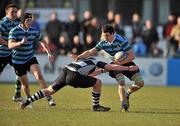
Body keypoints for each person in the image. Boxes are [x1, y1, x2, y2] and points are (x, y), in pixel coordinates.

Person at [71, 24, 144, 112]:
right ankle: (124, 105)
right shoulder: (103, 43)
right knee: (121, 82)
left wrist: (119, 63)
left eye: (107, 35)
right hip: (115, 64)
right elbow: (90, 52)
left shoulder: (121, 40)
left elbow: (132, 56)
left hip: (127, 62)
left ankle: (127, 93)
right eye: (103, 35)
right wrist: (79, 57)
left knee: (140, 83)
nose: (104, 37)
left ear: (112, 33)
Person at [21, 57, 139, 111]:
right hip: (73, 76)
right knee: (98, 83)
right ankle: (96, 106)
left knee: (49, 90)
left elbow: (88, 74)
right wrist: (128, 68)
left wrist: (102, 71)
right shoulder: (96, 61)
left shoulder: (84, 61)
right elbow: (110, 66)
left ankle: (27, 101)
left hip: (65, 71)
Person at [8, 12, 56, 107]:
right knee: (25, 85)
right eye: (27, 20)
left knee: (39, 76)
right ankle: (29, 100)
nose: (29, 22)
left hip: (30, 57)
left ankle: (49, 98)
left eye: (31, 20)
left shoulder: (34, 30)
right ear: (22, 21)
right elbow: (10, 45)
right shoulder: (14, 31)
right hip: (18, 61)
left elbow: (43, 41)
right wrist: (20, 43)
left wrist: (48, 52)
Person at [0, 4, 23, 102]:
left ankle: (17, 95)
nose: (14, 14)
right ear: (6, 12)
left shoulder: (16, 22)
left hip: (12, 54)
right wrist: (9, 44)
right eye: (12, 12)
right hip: (1, 54)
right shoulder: (3, 23)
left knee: (21, 71)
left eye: (15, 11)